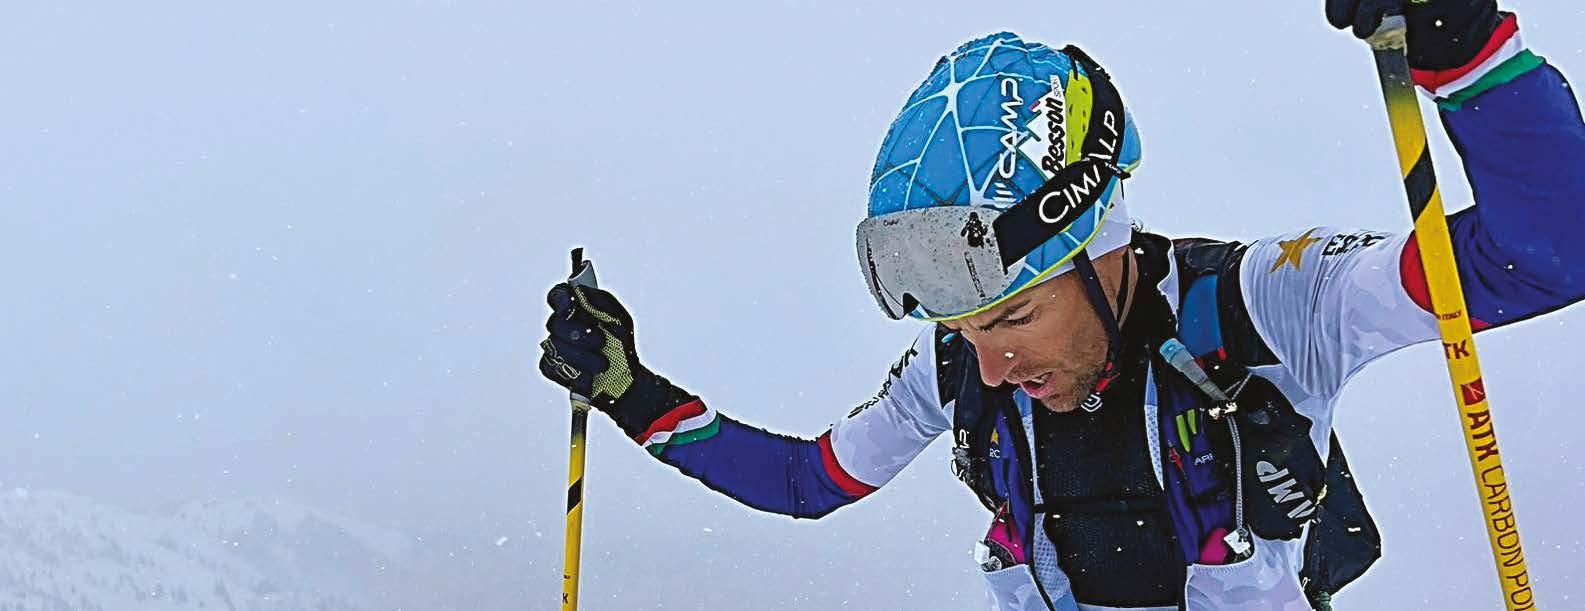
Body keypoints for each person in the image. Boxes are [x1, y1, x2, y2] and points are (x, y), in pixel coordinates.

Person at [538, 1, 1585, 609]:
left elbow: (1547, 255)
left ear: (1100, 245)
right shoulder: (954, 368)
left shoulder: (1263, 304)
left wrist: (1466, 54)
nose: (990, 366)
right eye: (962, 330)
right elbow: (809, 481)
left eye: (1011, 318)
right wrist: (633, 393)